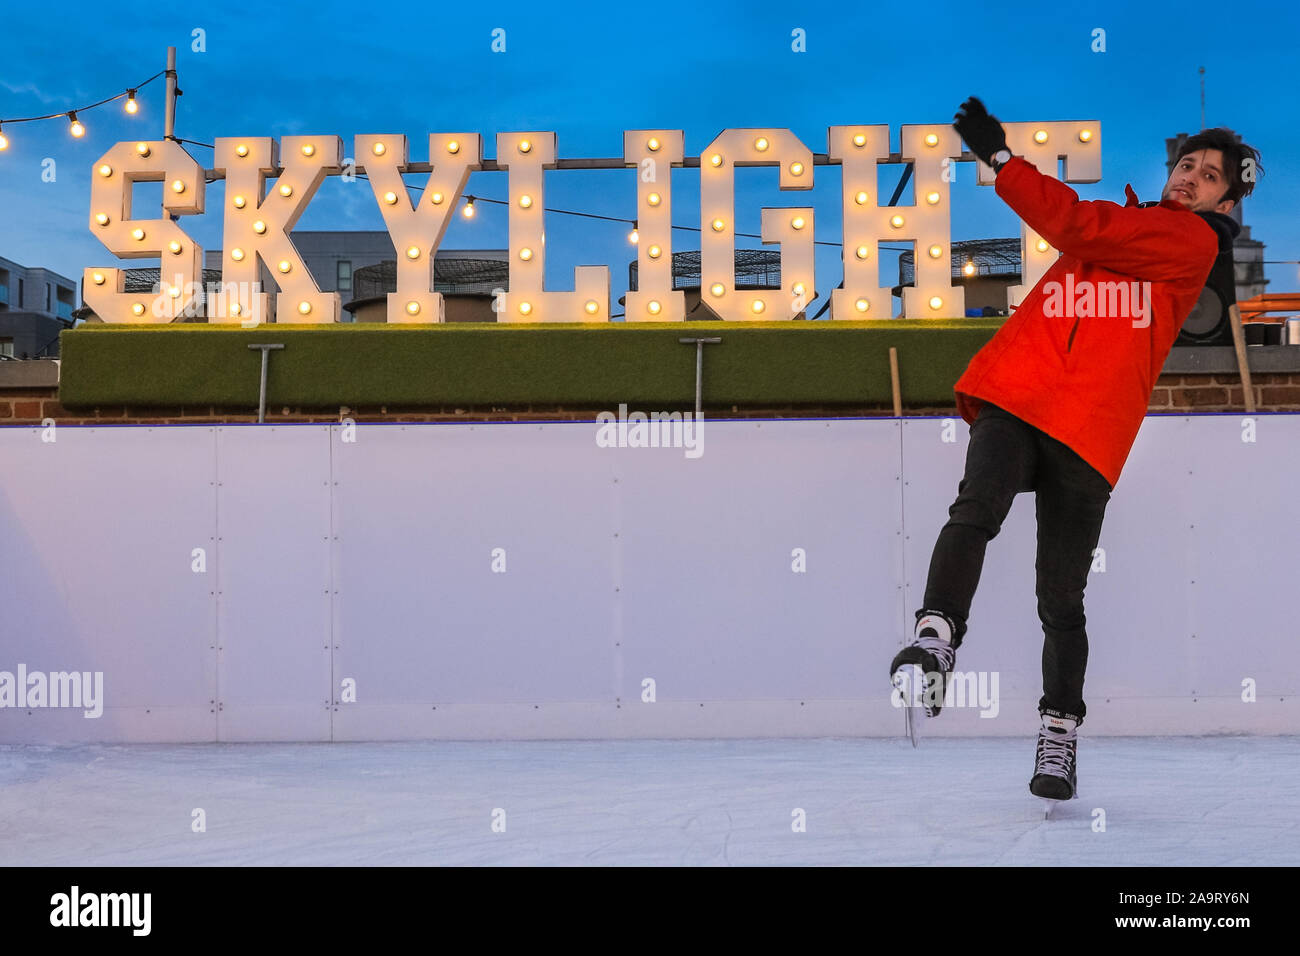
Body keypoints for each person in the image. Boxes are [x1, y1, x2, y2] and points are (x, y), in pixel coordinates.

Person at [889, 97, 1263, 800]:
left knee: (1060, 597)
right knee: (976, 509)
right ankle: (937, 634)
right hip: (1021, 391)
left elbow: (1075, 221)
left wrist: (1001, 159)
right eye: (1187, 164)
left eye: (1210, 176)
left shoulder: (1191, 242)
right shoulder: (1133, 223)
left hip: (1088, 426)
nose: (1191, 178)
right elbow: (1082, 229)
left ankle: (1058, 733)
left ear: (1228, 202)